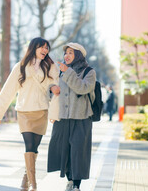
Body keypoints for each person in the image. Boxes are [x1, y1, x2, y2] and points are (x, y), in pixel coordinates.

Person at [0, 37, 59, 191]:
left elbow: (56, 89)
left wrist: (54, 112)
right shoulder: (20, 66)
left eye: (47, 48)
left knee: (34, 148)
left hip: (41, 111)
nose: (45, 50)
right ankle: (33, 184)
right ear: (33, 48)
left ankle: (26, 177)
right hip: (24, 112)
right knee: (29, 145)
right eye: (41, 47)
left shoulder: (51, 67)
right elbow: (8, 90)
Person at [47, 43, 96, 191]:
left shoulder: (89, 72)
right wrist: (51, 89)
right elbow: (52, 90)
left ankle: (76, 184)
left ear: (79, 56)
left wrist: (68, 72)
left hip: (81, 118)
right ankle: (69, 181)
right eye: (65, 53)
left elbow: (83, 88)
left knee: (78, 151)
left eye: (70, 53)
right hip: (62, 118)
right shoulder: (60, 72)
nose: (66, 56)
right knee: (64, 150)